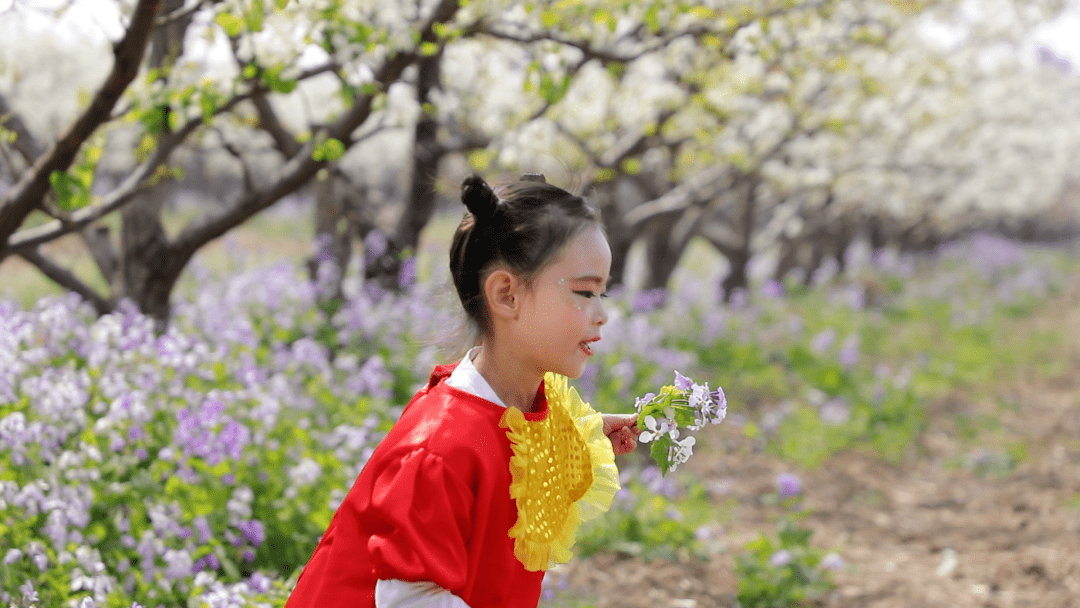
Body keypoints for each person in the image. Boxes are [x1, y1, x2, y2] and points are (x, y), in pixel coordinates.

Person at [285, 173, 641, 608]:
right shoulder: (439, 448)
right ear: (507, 295)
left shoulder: (525, 404)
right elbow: (408, 599)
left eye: (603, 292)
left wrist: (585, 436)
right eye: (585, 292)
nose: (602, 313)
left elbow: (511, 456)